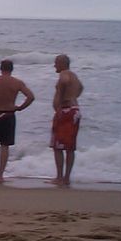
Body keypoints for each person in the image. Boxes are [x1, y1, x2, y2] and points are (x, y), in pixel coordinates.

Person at [0, 60, 34, 184]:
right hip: (9, 115)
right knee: (5, 146)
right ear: (12, 69)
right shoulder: (17, 82)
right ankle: (0, 175)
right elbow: (31, 97)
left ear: (0, 68)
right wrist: (20, 107)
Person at [50, 54, 83, 186]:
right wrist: (73, 97)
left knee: (57, 146)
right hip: (75, 110)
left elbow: (64, 80)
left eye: (56, 63)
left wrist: (62, 99)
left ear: (62, 64)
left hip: (66, 111)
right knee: (70, 147)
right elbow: (81, 88)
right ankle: (66, 178)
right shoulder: (74, 76)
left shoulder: (64, 73)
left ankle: (59, 177)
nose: (54, 65)